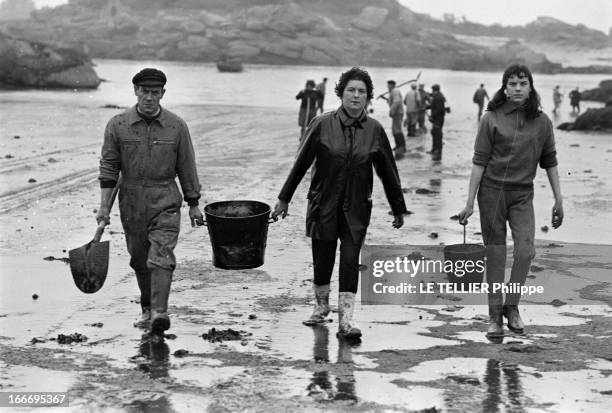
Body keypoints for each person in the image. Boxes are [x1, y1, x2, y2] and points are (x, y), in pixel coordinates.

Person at [272, 67, 407, 340]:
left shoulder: (375, 130)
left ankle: (346, 321)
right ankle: (321, 307)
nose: (356, 96)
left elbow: (388, 172)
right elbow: (301, 164)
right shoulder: (322, 124)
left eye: (361, 92)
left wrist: (397, 207)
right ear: (341, 94)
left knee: (349, 261)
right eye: (351, 91)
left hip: (357, 207)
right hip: (323, 203)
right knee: (322, 260)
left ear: (368, 97)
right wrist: (284, 198)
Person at [457, 64, 564, 339]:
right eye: (513, 83)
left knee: (526, 251)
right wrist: (469, 202)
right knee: (495, 255)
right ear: (505, 87)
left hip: (522, 195)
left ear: (531, 88)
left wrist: (558, 198)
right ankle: (494, 316)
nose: (518, 88)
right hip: (491, 193)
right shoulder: (490, 118)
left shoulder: (542, 122)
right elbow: (479, 163)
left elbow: (550, 161)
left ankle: (511, 306)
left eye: (523, 83)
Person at [98, 68, 204, 337]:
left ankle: (160, 312)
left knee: (161, 255)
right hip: (131, 201)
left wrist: (193, 202)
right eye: (144, 92)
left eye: (154, 93)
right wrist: (103, 207)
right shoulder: (117, 125)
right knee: (139, 258)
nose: (149, 98)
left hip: (165, 199)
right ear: (135, 91)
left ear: (162, 94)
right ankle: (147, 309)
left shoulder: (177, 126)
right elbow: (109, 169)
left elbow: (186, 166)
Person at [381, 80, 406, 155]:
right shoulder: (393, 91)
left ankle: (401, 146)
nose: (387, 87)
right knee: (395, 130)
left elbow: (397, 102)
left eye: (388, 86)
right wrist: (385, 98)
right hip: (397, 113)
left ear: (392, 85)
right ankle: (398, 145)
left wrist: (392, 111)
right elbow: (392, 101)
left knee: (397, 129)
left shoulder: (395, 91)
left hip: (397, 113)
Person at [428, 84, 447, 160]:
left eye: (432, 90)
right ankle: (434, 149)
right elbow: (433, 106)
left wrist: (432, 115)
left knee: (437, 134)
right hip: (437, 118)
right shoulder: (438, 95)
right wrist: (426, 107)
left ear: (435, 90)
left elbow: (439, 109)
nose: (432, 92)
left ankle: (438, 150)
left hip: (438, 119)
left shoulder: (438, 97)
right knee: (434, 132)